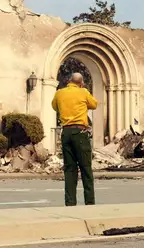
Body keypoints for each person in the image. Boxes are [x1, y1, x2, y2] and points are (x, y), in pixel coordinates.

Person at [51, 72, 98, 206]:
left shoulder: (59, 93)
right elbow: (94, 104)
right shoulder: (83, 92)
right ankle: (89, 201)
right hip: (80, 132)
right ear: (81, 82)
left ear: (69, 81)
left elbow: (55, 106)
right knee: (85, 168)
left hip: (66, 133)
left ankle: (70, 202)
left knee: (70, 169)